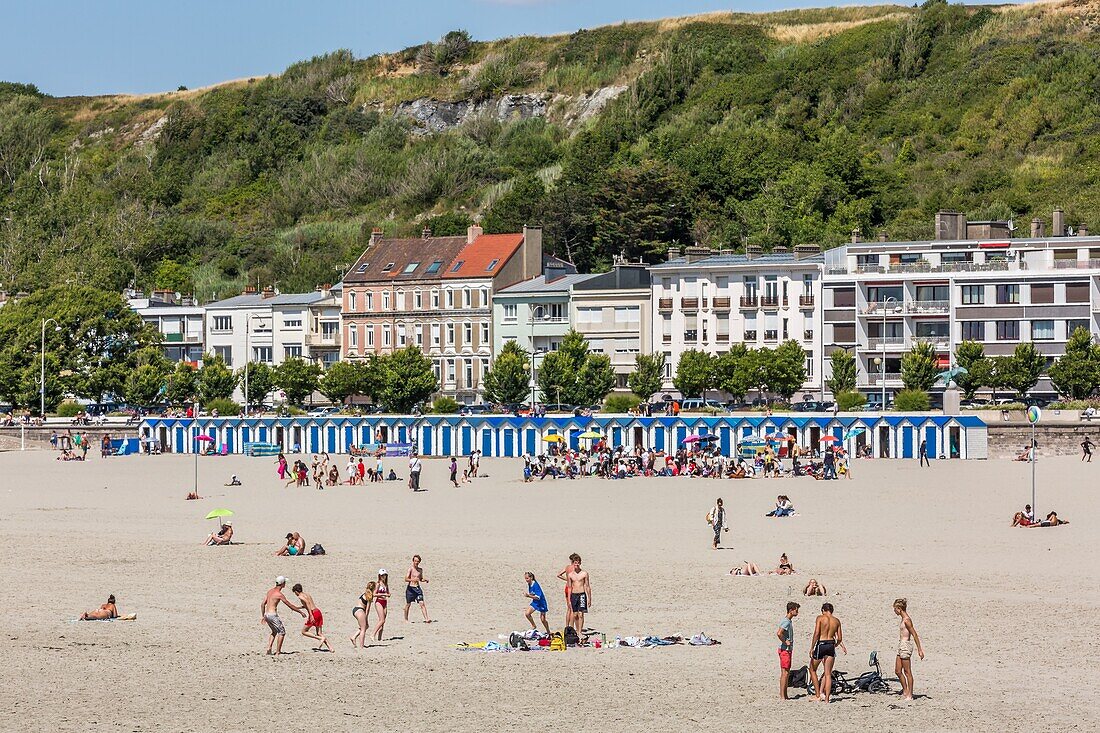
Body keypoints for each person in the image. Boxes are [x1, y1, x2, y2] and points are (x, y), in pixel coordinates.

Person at [809, 602, 847, 703]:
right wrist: (835, 645)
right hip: (831, 644)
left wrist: (812, 647)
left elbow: (817, 633)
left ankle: (817, 695)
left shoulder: (820, 618)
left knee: (812, 669)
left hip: (821, 644)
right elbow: (839, 638)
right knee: (828, 674)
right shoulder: (837, 621)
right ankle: (826, 699)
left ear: (823, 610)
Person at [261, 577, 305, 655]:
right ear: (282, 584)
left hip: (267, 614)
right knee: (282, 632)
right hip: (272, 615)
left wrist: (263, 616)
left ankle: (269, 648)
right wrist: (300, 612)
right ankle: (278, 652)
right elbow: (290, 605)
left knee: (274, 631)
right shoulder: (279, 594)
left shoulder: (270, 591)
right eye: (285, 582)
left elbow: (263, 604)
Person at [893, 598, 924, 701]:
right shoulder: (903, 619)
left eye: (895, 609)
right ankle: (905, 690)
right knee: (897, 670)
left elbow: (914, 634)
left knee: (907, 672)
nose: (894, 611)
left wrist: (919, 649)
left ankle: (910, 694)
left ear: (899, 609)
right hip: (901, 644)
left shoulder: (907, 620)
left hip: (905, 645)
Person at [291, 583, 332, 652]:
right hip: (318, 611)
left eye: (295, 593)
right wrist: (298, 608)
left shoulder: (300, 596)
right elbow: (308, 604)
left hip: (313, 613)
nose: (295, 594)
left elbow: (307, 603)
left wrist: (311, 615)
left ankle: (319, 638)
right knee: (319, 633)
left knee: (304, 631)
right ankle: (331, 648)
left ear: (296, 591)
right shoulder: (307, 594)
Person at [777, 601, 800, 700]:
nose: (797, 612)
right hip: (785, 650)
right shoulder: (786, 621)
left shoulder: (788, 621)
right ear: (791, 610)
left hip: (786, 650)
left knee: (786, 672)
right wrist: (785, 641)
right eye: (796, 610)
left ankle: (785, 695)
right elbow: (779, 633)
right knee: (785, 673)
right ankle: (782, 695)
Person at [566, 554, 592, 636]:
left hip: (582, 594)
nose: (577, 565)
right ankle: (576, 629)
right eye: (575, 563)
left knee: (581, 614)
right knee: (575, 614)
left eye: (578, 563)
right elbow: (569, 587)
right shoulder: (570, 575)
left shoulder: (584, 573)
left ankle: (579, 631)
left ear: (580, 563)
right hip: (574, 595)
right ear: (573, 563)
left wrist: (589, 598)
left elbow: (587, 586)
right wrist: (569, 600)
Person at [403, 555, 431, 623]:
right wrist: (413, 579)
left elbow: (420, 578)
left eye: (418, 561)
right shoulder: (410, 569)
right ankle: (406, 619)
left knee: (422, 603)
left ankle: (426, 619)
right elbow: (406, 579)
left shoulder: (420, 570)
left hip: (417, 588)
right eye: (415, 561)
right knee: (408, 604)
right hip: (410, 589)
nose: (416, 562)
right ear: (413, 561)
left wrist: (425, 580)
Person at [557, 553, 581, 630]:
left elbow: (559, 575)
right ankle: (571, 626)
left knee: (568, 608)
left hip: (567, 587)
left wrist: (567, 579)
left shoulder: (567, 567)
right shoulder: (574, 568)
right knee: (573, 609)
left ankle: (567, 626)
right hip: (572, 588)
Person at [349, 581, 376, 649]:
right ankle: (361, 646)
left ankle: (353, 637)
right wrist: (366, 618)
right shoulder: (370, 595)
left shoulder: (365, 593)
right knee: (364, 629)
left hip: (355, 609)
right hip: (360, 611)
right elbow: (367, 609)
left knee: (365, 626)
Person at [372, 570, 390, 642]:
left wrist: (388, 594)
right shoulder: (378, 584)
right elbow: (374, 594)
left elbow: (388, 592)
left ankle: (379, 638)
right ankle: (373, 634)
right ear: (379, 576)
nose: (384, 577)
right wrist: (383, 594)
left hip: (384, 602)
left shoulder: (386, 584)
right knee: (381, 620)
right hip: (379, 602)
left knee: (383, 621)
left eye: (385, 575)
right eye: (382, 575)